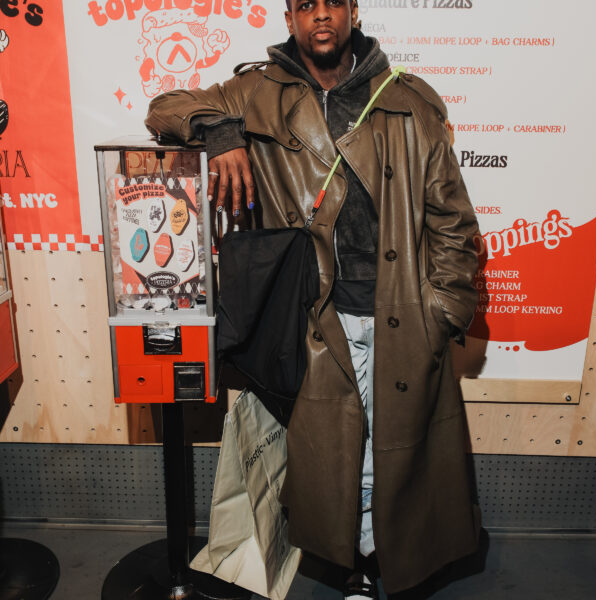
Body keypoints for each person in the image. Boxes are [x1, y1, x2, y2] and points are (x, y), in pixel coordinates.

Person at [145, 0, 481, 597]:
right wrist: (221, 133)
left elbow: (453, 220)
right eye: (305, 5)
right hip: (315, 316)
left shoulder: (408, 100)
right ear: (289, 19)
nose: (320, 15)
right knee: (337, 457)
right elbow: (165, 107)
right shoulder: (256, 93)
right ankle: (356, 565)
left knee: (392, 452)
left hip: (403, 311)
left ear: (353, 12)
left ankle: (385, 562)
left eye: (332, 3)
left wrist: (444, 310)